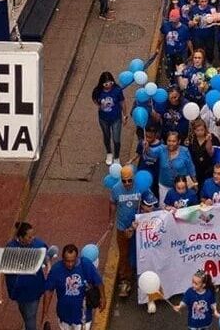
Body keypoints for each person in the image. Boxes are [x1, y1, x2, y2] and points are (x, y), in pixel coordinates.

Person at [0, 222, 48, 330]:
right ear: (20, 237)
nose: (32, 238)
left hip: (34, 289)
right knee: (24, 311)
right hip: (18, 291)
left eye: (33, 235)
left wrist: (48, 266)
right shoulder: (11, 249)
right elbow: (1, 268)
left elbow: (45, 256)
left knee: (30, 316)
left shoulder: (37, 244)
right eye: (29, 237)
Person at [40, 244, 104, 330]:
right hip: (64, 316)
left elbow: (98, 281)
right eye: (67, 261)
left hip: (83, 318)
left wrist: (103, 298)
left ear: (77, 257)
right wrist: (45, 313)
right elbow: (48, 291)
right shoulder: (56, 270)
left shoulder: (86, 265)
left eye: (73, 261)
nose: (70, 264)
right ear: (62, 258)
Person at [109, 166, 141, 298]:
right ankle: (125, 280)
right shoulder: (116, 189)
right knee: (124, 254)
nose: (127, 183)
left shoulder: (141, 186)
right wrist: (111, 220)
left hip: (139, 226)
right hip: (122, 227)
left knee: (139, 252)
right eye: (124, 181)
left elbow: (149, 203)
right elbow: (112, 204)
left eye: (130, 180)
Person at [91, 72, 126, 165]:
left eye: (110, 83)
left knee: (116, 139)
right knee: (106, 136)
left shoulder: (117, 90)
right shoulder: (98, 91)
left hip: (116, 118)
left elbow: (122, 102)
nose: (109, 85)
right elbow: (94, 98)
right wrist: (99, 105)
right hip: (103, 119)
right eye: (106, 84)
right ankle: (109, 153)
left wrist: (124, 115)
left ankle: (117, 157)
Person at [153, 131, 197, 198]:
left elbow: (191, 167)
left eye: (174, 141)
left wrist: (195, 183)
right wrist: (146, 147)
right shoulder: (161, 149)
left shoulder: (185, 151)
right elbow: (150, 153)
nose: (171, 143)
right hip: (164, 186)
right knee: (165, 207)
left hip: (181, 187)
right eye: (169, 141)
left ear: (179, 141)